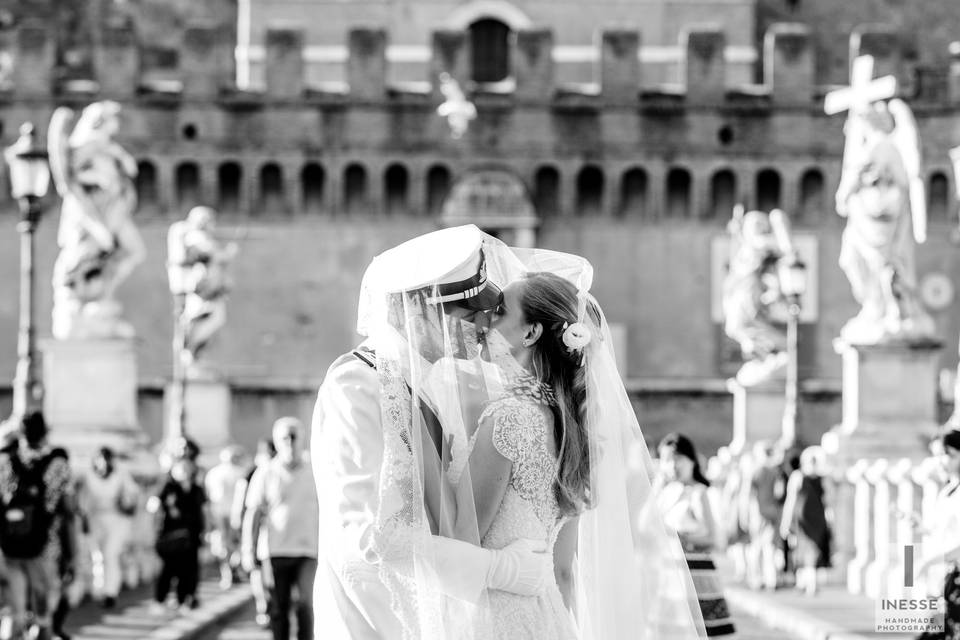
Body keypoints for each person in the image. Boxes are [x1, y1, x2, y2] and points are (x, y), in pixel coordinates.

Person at [315, 225, 706, 638]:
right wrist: (500, 570)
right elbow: (365, 536)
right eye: (469, 315)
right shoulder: (356, 384)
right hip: (374, 620)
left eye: (492, 313)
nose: (481, 325)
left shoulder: (445, 391)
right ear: (420, 312)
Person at [0, 412, 75, 640]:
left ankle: (15, 629)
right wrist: (72, 552)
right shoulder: (59, 464)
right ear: (45, 434)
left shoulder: (4, 461)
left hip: (10, 543)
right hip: (45, 543)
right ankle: (41, 627)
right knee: (43, 608)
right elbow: (69, 509)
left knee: (14, 609)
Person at [241, 418, 317, 640]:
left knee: (306, 606)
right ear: (277, 441)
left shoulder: (315, 471)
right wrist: (248, 548)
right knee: (278, 606)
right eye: (285, 437)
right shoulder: (265, 472)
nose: (290, 442)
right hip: (275, 551)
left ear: (303, 439)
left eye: (295, 436)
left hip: (308, 550)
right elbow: (253, 513)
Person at [656, 433, 737, 638]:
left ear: (691, 460)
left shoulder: (699, 493)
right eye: (667, 460)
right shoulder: (666, 493)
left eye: (677, 459)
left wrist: (680, 539)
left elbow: (714, 539)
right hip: (670, 574)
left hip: (697, 576)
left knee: (703, 632)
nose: (673, 466)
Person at [912, 429, 960, 639]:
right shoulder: (948, 490)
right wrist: (919, 524)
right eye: (938, 455)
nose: (941, 461)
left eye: (948, 454)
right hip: (942, 578)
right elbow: (942, 531)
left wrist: (928, 562)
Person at [77, 446, 138, 608]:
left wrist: (125, 504)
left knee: (111, 554)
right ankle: (99, 589)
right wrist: (84, 522)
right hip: (96, 519)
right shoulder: (89, 477)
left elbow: (133, 495)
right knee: (98, 556)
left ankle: (110, 591)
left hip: (116, 519)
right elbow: (83, 502)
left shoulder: (120, 475)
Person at [148, 456, 205, 611]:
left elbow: (202, 511)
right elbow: (155, 506)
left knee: (189, 570)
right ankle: (160, 599)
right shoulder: (167, 488)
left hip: (191, 536)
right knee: (168, 569)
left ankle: (184, 599)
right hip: (171, 536)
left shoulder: (196, 489)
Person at [232, 438, 276, 627]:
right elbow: (241, 503)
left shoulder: (276, 472)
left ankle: (272, 604)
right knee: (256, 571)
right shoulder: (250, 474)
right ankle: (263, 605)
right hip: (254, 529)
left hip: (274, 532)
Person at [779, 446, 833, 596]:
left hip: (805, 518)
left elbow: (791, 500)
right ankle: (809, 583)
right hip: (812, 518)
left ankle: (807, 583)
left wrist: (786, 521)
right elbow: (828, 499)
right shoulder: (820, 478)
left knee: (806, 549)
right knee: (811, 549)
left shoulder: (799, 476)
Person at [746, 440, 786, 590]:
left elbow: (749, 495)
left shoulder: (756, 471)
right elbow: (779, 493)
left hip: (758, 513)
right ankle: (771, 579)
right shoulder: (775, 472)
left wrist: (747, 514)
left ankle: (757, 579)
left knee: (757, 547)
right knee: (770, 547)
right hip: (772, 511)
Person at [205, 445, 246, 589]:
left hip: (220, 513)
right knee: (234, 544)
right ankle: (232, 569)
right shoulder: (241, 473)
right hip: (234, 513)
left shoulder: (213, 473)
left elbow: (209, 497)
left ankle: (228, 572)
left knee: (224, 545)